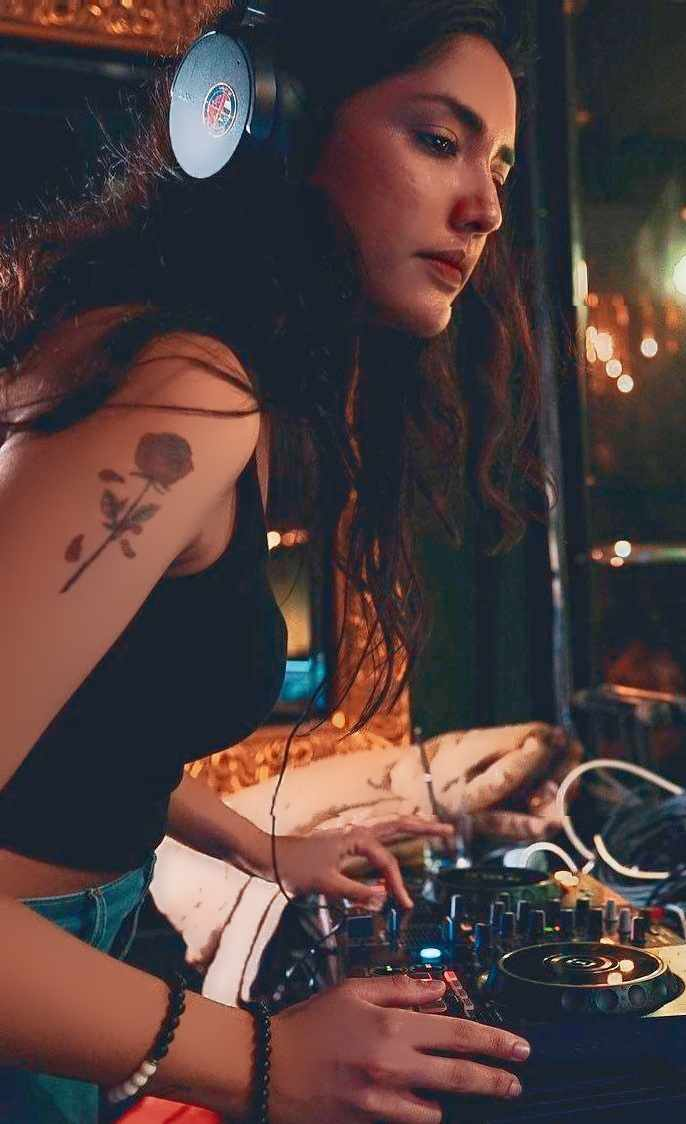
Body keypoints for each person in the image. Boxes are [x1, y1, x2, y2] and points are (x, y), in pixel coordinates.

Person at [0, 1, 549, 1121]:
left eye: (497, 163)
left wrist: (262, 846)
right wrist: (267, 1057)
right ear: (274, 123)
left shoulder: (184, 372)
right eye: (437, 139)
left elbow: (79, 727)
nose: (486, 207)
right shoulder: (183, 392)